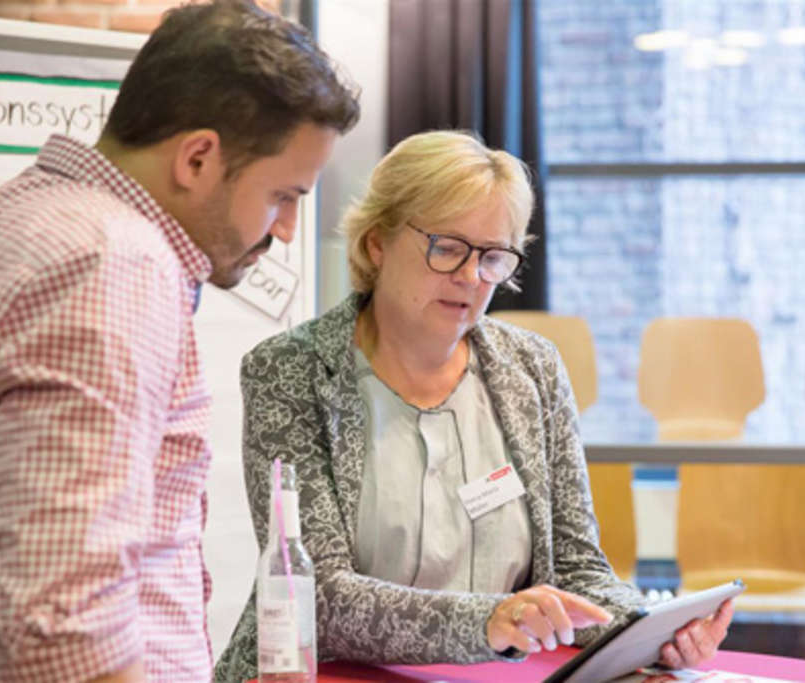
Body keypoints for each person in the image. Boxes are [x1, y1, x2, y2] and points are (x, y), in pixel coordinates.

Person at [0, 1, 359, 681]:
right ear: (199, 157)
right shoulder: (110, 262)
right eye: (282, 195)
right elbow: (65, 629)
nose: (287, 228)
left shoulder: (26, 213)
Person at [215, 130, 734, 682]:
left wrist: (645, 631)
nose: (470, 277)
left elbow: (579, 568)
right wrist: (490, 620)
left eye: (492, 257)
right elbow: (318, 597)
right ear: (377, 243)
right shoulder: (290, 371)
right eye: (447, 248)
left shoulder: (532, 368)